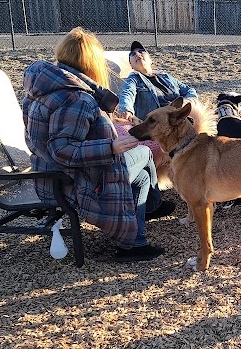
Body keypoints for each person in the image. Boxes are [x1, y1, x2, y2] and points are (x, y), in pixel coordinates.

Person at [22, 27, 175, 263]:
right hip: (72, 182)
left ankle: (139, 228)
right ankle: (141, 225)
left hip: (46, 173)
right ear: (92, 63)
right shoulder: (77, 98)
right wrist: (110, 148)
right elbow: (62, 149)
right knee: (144, 153)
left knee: (142, 175)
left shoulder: (42, 86)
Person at [117, 41, 197, 121]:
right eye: (132, 54)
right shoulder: (134, 79)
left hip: (177, 116)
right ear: (131, 65)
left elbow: (189, 90)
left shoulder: (166, 77)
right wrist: (126, 109)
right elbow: (127, 92)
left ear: (150, 59)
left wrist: (186, 104)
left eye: (141, 51)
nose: (137, 54)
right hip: (157, 123)